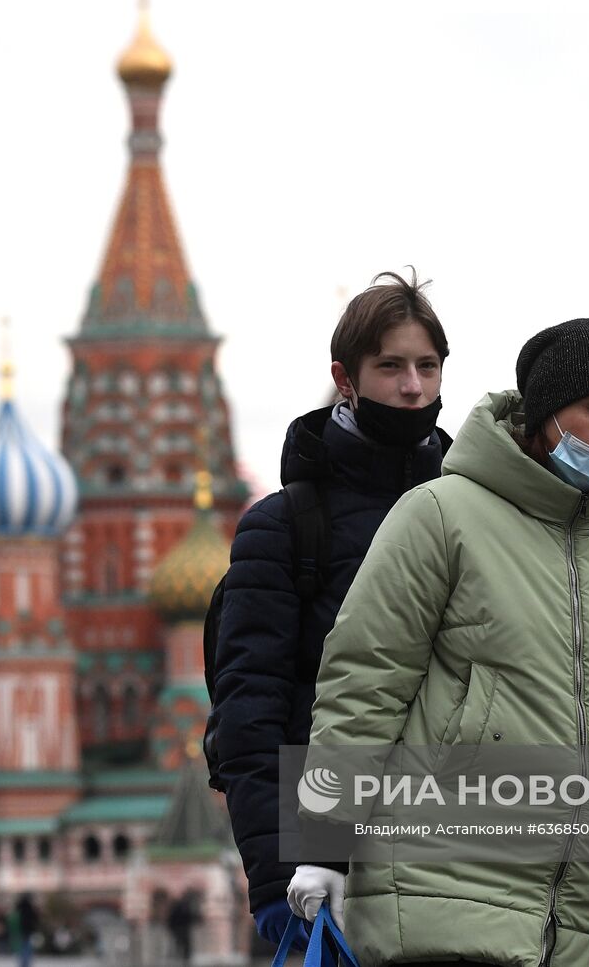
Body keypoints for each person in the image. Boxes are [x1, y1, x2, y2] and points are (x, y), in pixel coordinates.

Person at [289, 319, 589, 966]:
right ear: (545, 412)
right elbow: (364, 685)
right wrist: (323, 842)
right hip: (441, 896)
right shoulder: (441, 516)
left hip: (584, 922)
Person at [210, 269, 452, 947]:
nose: (412, 387)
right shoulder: (284, 528)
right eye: (391, 366)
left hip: (459, 856)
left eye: (427, 367)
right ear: (346, 378)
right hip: (331, 865)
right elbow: (250, 713)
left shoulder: (475, 520)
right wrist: (274, 875)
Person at [13, 893, 40, 967]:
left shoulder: (20, 906)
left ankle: (23, 962)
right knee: (28, 946)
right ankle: (26, 962)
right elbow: (36, 918)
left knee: (23, 946)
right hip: (29, 929)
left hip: (21, 929)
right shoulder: (31, 907)